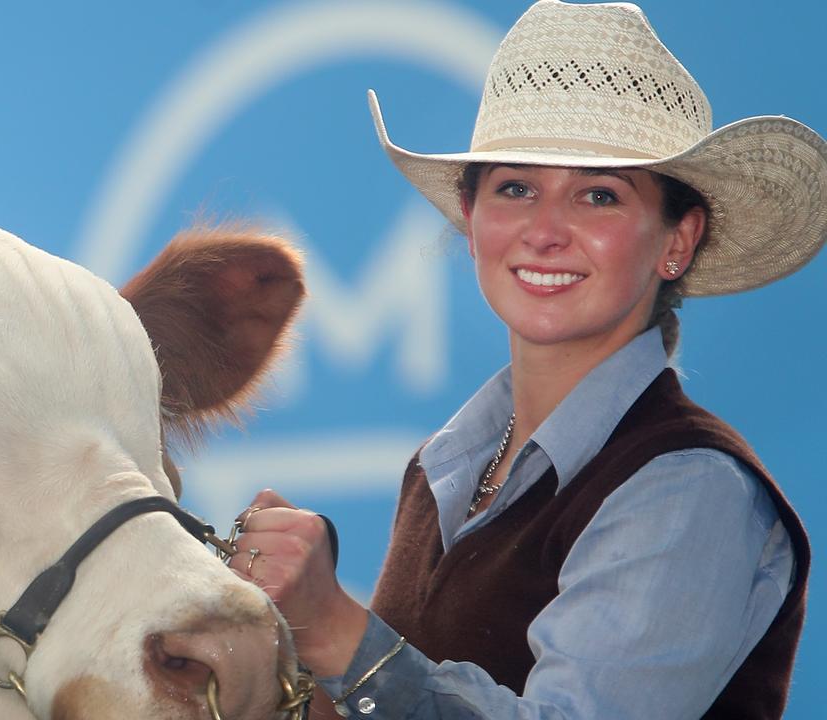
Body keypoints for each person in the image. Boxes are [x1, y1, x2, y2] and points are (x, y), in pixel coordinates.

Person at [227, 1, 822, 718]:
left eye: (599, 195)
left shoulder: (689, 486)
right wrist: (277, 643)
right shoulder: (442, 465)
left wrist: (338, 631)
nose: (545, 231)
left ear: (677, 241)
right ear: (473, 220)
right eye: (516, 188)